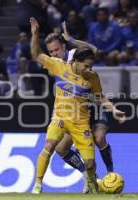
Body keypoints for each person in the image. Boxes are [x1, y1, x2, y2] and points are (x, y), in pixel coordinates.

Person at [30, 17, 126, 194]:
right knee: (60, 148)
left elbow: (94, 50)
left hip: (90, 108)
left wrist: (72, 40)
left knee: (99, 138)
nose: (54, 53)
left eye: (57, 49)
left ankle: (110, 173)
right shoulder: (57, 64)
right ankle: (89, 176)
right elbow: (37, 55)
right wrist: (34, 35)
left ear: (64, 47)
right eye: (51, 51)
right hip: (70, 112)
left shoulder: (76, 56)